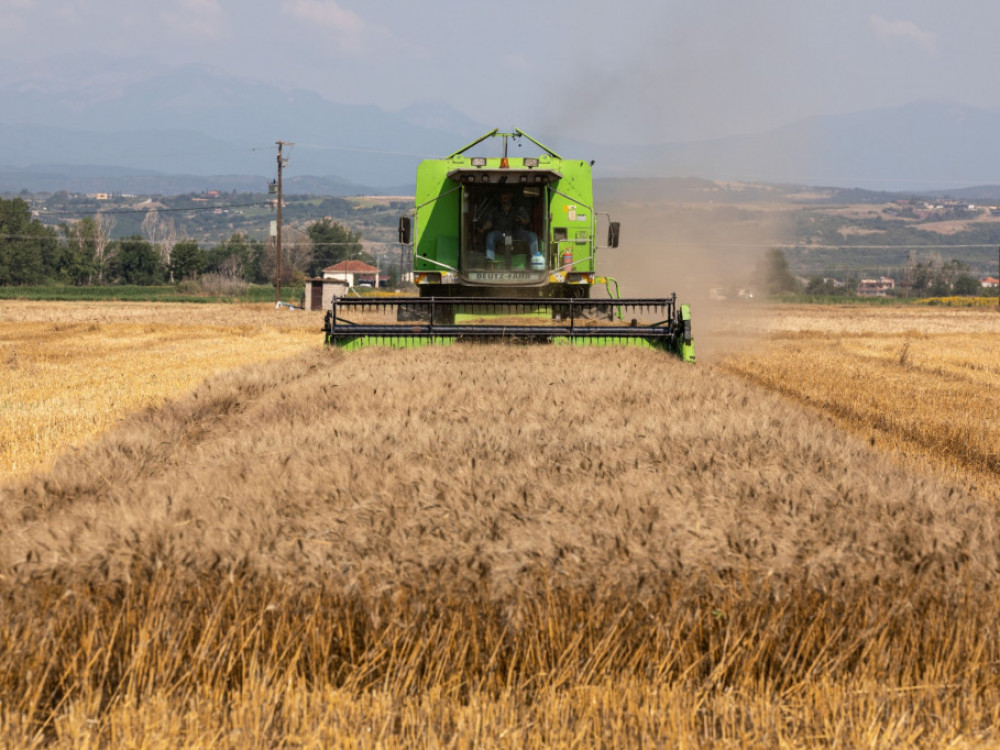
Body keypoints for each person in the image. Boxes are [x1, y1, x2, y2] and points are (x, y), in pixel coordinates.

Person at [480, 190, 539, 262]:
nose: (504, 198)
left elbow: (527, 221)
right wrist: (482, 228)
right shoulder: (495, 210)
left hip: (517, 232)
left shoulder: (519, 209)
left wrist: (520, 219)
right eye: (502, 196)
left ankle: (536, 260)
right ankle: (490, 259)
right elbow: (489, 222)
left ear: (510, 197)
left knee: (532, 236)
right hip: (500, 232)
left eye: (506, 196)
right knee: (490, 236)